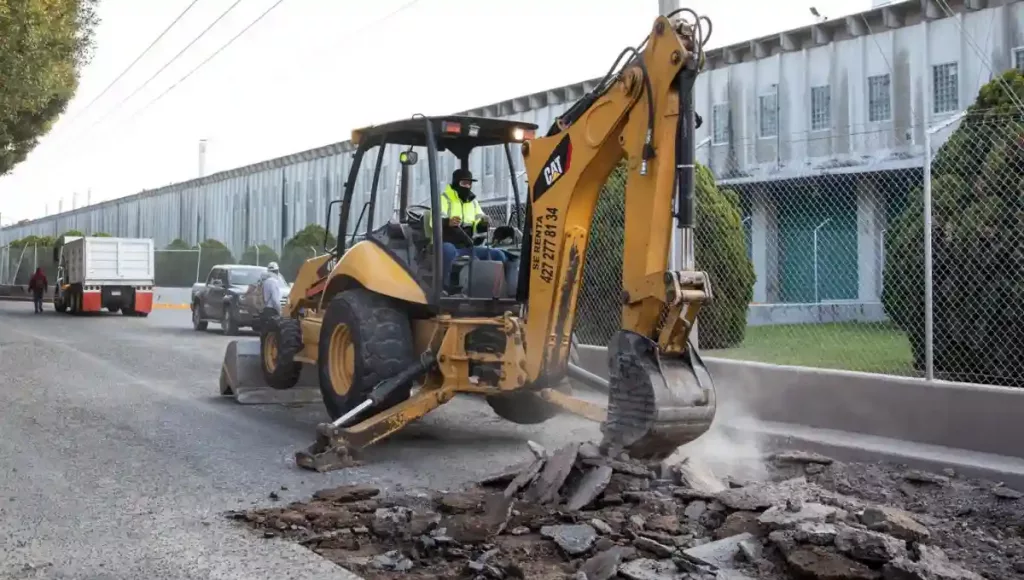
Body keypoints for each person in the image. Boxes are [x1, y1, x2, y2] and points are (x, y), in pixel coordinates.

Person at [430, 168, 507, 289]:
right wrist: (447, 222)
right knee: (448, 250)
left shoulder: (473, 202)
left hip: (467, 246)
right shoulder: (443, 199)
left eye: (469, 183)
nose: (467, 186)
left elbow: (479, 220)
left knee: (498, 255)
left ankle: (499, 290)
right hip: (447, 242)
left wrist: (483, 223)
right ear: (456, 183)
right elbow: (433, 220)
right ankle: (442, 287)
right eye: (463, 183)